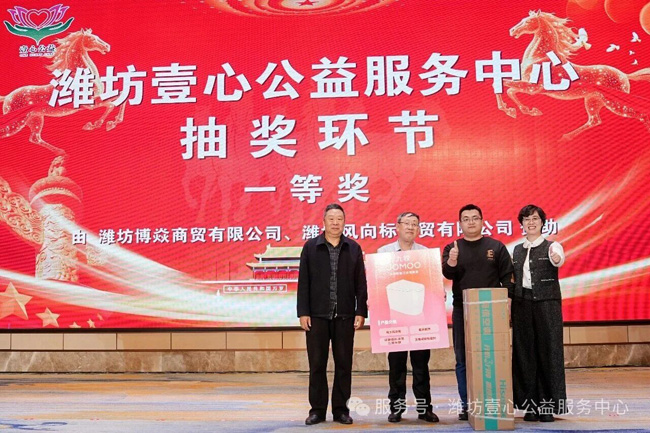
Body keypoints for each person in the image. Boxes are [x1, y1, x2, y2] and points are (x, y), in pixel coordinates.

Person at [297, 203, 368, 426]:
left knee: (344, 365)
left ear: (344, 222)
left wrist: (360, 311)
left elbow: (361, 283)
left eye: (339, 219)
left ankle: (341, 410)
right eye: (331, 219)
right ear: (324, 222)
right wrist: (303, 312)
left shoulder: (353, 248)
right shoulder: (311, 247)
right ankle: (317, 411)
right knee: (317, 365)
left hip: (345, 315)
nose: (335, 223)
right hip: (317, 315)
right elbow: (303, 282)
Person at [442, 204, 514, 421]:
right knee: (463, 358)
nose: (471, 222)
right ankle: (467, 404)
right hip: (462, 310)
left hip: (492, 312)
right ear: (460, 224)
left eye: (475, 218)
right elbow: (447, 272)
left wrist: (507, 304)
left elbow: (508, 277)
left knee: (493, 356)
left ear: (482, 221)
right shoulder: (453, 247)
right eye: (466, 219)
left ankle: (494, 402)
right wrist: (452, 259)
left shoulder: (496, 247)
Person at [377, 212, 439, 423]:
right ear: (397, 227)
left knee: (421, 367)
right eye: (407, 223)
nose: (411, 227)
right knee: (396, 367)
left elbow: (433, 283)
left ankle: (424, 409)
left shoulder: (425, 254)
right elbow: (378, 284)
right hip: (394, 319)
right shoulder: (384, 253)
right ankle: (396, 408)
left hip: (420, 318)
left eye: (415, 224)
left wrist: (438, 293)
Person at [511, 204, 567, 422]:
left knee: (549, 353)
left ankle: (547, 406)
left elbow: (558, 259)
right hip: (522, 304)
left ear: (542, 222)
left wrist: (555, 258)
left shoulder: (553, 246)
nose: (531, 222)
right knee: (524, 354)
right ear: (522, 224)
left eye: (535, 218)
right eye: (526, 219)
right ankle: (530, 406)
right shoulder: (517, 249)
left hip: (547, 304)